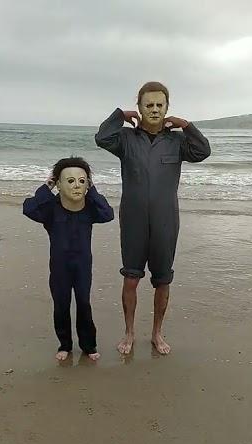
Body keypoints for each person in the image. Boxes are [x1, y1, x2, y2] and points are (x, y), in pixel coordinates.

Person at [95, 81, 211, 355]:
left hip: (166, 220)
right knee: (131, 278)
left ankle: (157, 333)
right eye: (149, 105)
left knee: (163, 279)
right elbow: (102, 138)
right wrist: (119, 116)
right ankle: (129, 332)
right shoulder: (124, 139)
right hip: (133, 219)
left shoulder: (177, 142)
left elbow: (203, 151)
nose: (155, 109)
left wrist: (187, 126)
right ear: (140, 108)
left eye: (160, 105)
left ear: (167, 108)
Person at [23, 157, 114, 361]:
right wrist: (47, 186)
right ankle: (64, 344)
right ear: (59, 184)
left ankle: (89, 346)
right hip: (59, 268)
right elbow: (28, 208)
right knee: (61, 304)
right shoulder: (50, 209)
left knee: (83, 303)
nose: (76, 186)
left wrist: (93, 192)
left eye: (82, 181)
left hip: (82, 266)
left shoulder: (90, 208)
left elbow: (108, 214)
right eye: (70, 181)